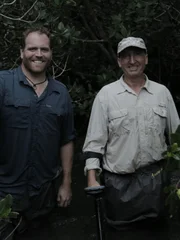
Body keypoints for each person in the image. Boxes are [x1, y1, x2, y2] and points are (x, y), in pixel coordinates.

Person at [83, 37, 180, 232]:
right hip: (118, 185)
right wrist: (92, 178)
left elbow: (177, 138)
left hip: (157, 180)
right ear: (119, 61)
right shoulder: (106, 95)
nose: (132, 60)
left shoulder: (162, 93)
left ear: (146, 58)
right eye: (126, 56)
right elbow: (94, 143)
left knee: (159, 232)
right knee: (120, 234)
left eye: (137, 55)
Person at [0, 27, 75, 239]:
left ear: (51, 53)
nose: (39, 54)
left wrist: (67, 183)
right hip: (4, 191)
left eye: (44, 49)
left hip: (43, 194)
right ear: (21, 52)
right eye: (32, 48)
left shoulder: (60, 92)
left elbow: (67, 140)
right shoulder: (3, 84)